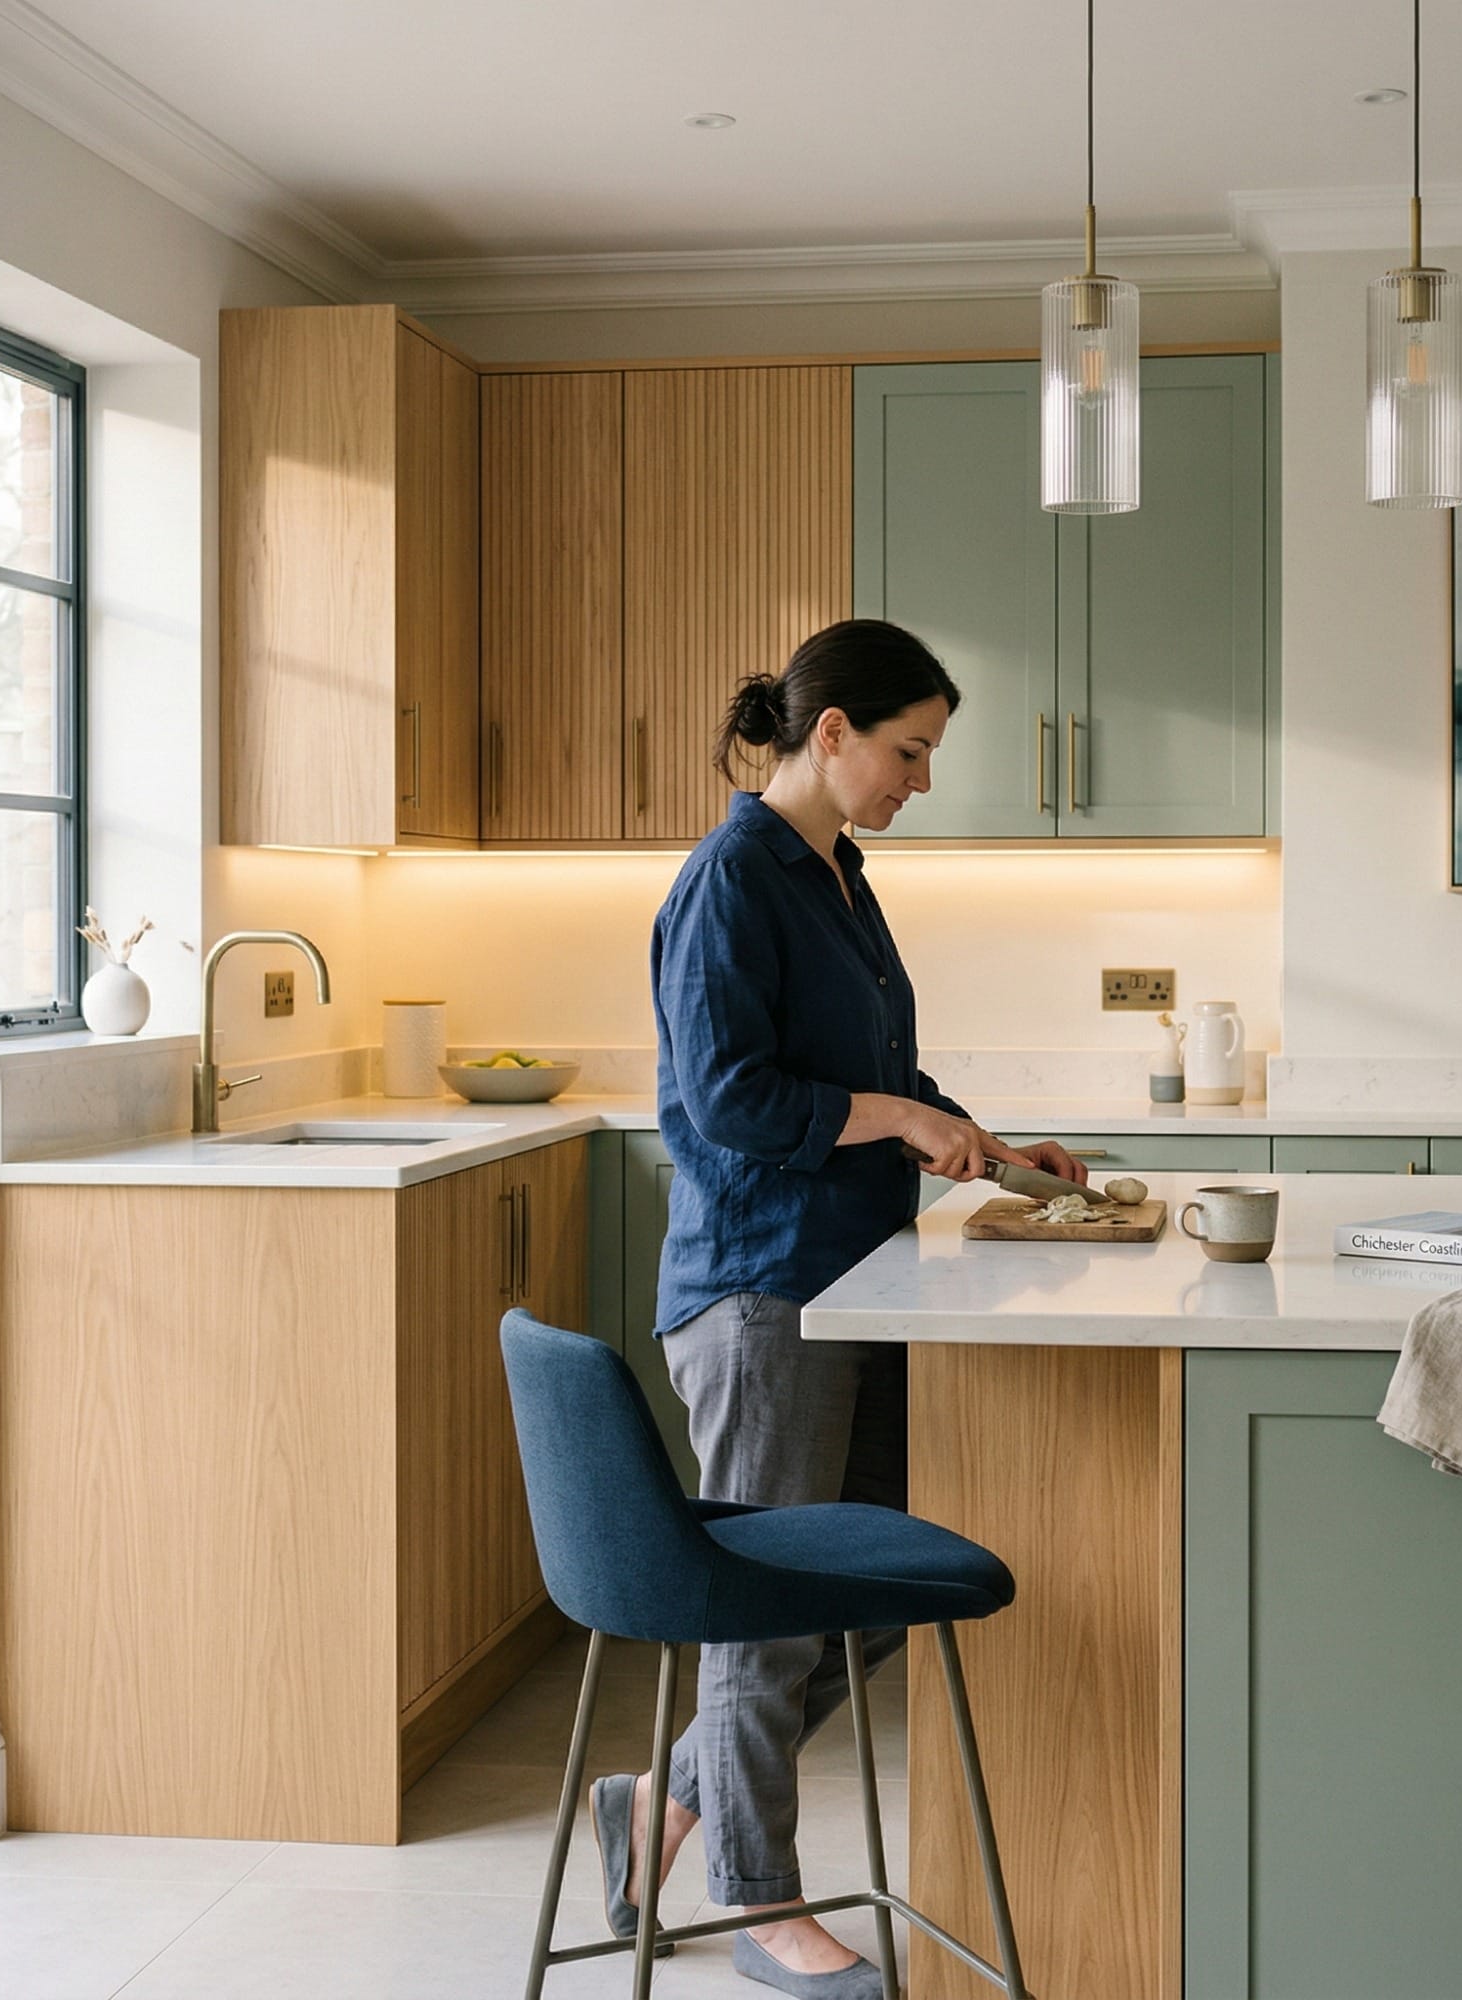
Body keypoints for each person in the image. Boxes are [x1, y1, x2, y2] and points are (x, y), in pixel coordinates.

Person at [586, 618, 1088, 1998]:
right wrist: (903, 1116)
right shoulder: (731, 880)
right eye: (907, 750)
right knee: (764, 1609)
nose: (918, 780)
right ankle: (759, 1903)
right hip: (762, 1296)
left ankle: (666, 1800)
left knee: (873, 1585)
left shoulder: (838, 878)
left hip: (851, 1292)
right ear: (829, 735)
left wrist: (991, 1143)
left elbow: (883, 1080)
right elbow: (732, 1103)